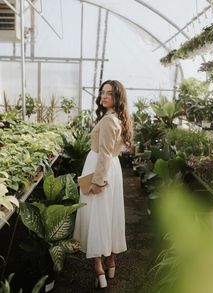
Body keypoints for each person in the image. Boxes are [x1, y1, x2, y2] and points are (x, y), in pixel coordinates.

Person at [73, 80, 133, 288]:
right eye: (102, 92)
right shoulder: (117, 118)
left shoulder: (108, 121)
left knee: (96, 215)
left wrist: (98, 181)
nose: (104, 96)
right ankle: (111, 261)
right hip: (111, 168)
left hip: (101, 168)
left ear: (118, 97)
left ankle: (99, 267)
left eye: (109, 93)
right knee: (109, 214)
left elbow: (104, 153)